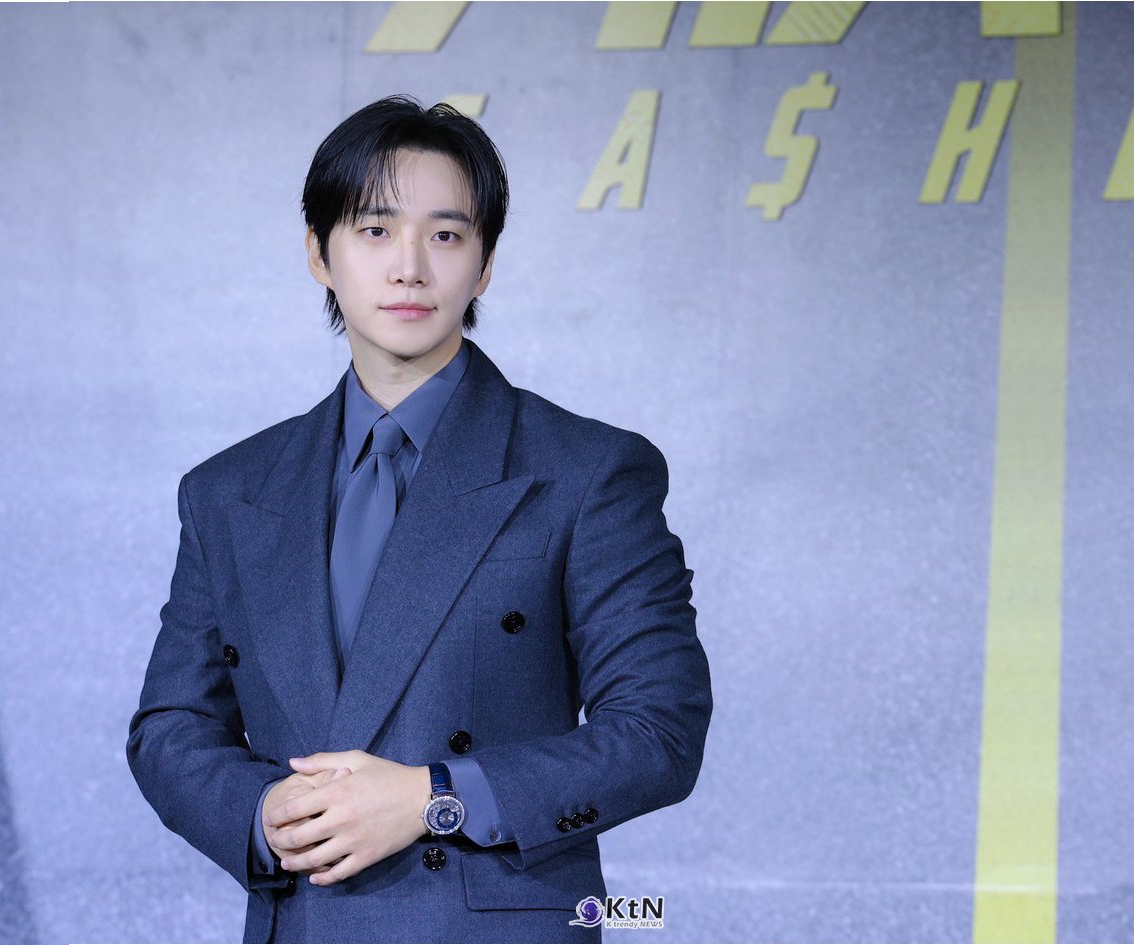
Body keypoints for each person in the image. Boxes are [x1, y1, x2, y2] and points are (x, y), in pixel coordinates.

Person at [127, 95, 712, 944]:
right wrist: (263, 813)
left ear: (484, 264)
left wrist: (433, 797)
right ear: (319, 253)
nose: (409, 268)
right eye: (374, 230)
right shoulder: (229, 490)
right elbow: (171, 725)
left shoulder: (586, 471)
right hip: (304, 920)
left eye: (445, 235)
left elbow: (658, 732)